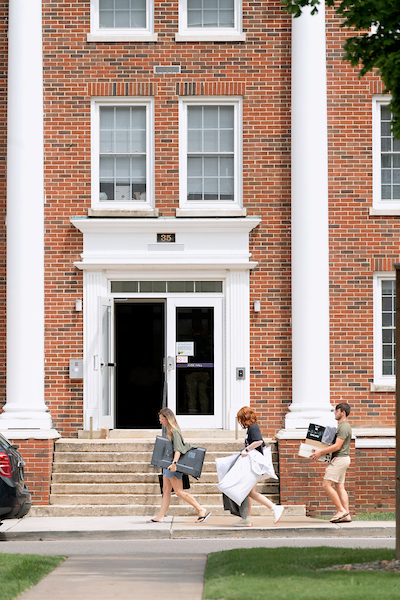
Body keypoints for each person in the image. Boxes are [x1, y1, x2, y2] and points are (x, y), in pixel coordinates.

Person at [147, 408, 211, 524]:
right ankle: (160, 516)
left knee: (179, 492)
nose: (160, 422)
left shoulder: (174, 431)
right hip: (169, 465)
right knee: (166, 490)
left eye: (162, 419)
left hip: (173, 465)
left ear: (167, 418)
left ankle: (201, 509)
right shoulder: (170, 430)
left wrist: (174, 464)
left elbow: (178, 449)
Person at [234, 406, 284, 527]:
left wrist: (246, 449)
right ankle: (247, 518)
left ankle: (274, 508)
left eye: (241, 419)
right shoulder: (252, 428)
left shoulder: (253, 428)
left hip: (254, 466)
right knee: (249, 491)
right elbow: (264, 446)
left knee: (250, 492)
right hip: (253, 465)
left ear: (245, 418)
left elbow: (258, 442)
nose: (240, 422)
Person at [310, 402, 352, 523]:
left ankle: (341, 511)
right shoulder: (343, 426)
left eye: (336, 411)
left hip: (339, 459)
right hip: (343, 459)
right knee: (339, 486)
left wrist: (320, 452)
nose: (335, 413)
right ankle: (347, 514)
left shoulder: (344, 427)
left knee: (326, 485)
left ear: (342, 412)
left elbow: (337, 446)